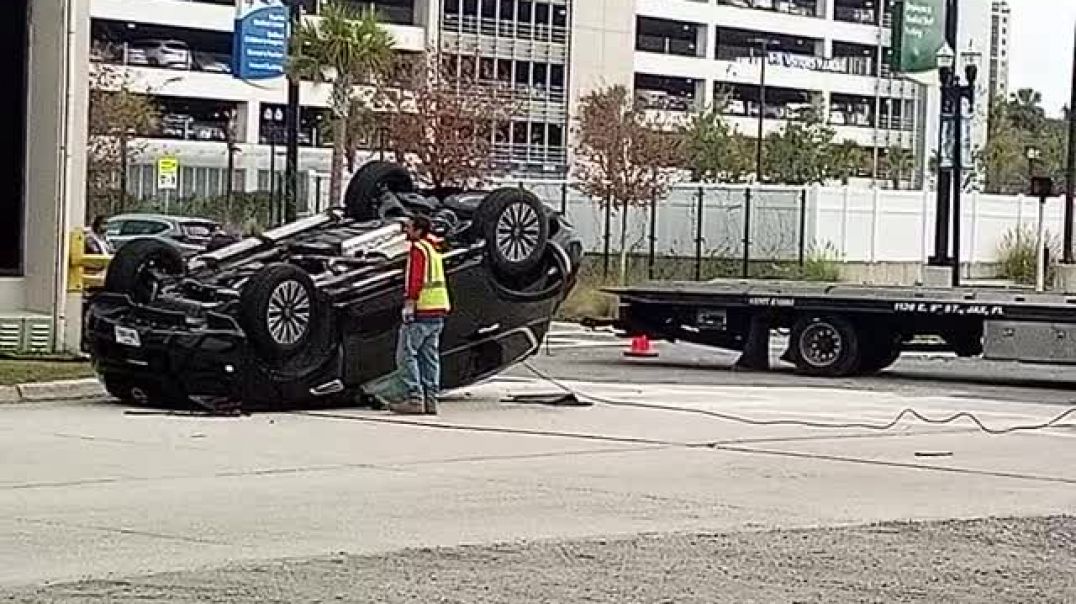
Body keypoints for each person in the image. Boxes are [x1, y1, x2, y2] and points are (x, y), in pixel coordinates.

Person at [390, 215, 451, 415]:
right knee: (429, 356)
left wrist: (410, 304)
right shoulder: (434, 248)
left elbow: (416, 278)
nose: (405, 231)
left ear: (418, 231)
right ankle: (431, 399)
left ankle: (414, 397)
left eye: (408, 228)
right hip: (438, 309)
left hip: (422, 309)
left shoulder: (418, 249)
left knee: (406, 354)